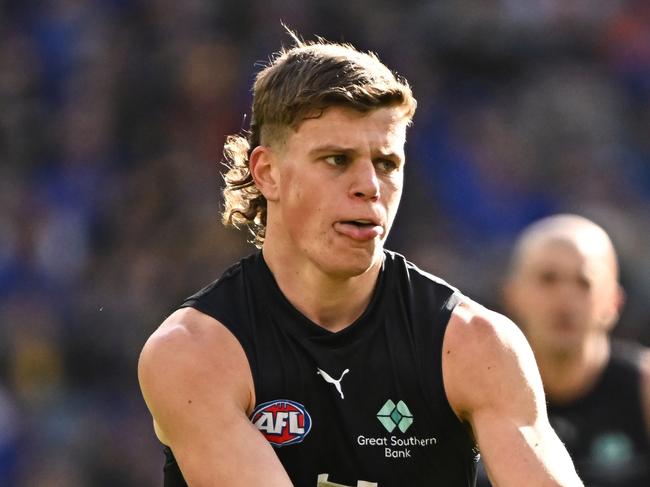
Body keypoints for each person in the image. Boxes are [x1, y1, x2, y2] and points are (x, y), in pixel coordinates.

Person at [137, 33, 583, 487]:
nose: (369, 185)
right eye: (337, 159)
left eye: (387, 164)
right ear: (267, 173)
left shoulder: (477, 345)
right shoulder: (193, 353)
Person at [491, 214, 650, 487]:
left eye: (584, 282)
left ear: (614, 302)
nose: (565, 298)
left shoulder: (644, 389)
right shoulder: (474, 389)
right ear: (512, 294)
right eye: (548, 279)